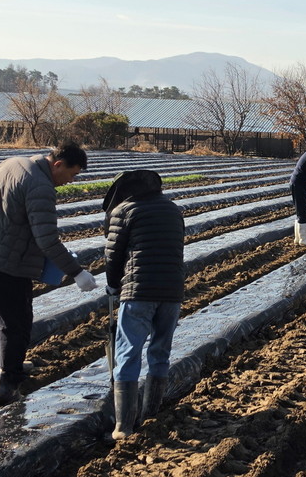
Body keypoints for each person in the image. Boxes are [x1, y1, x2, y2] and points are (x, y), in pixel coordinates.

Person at [0, 142, 97, 404]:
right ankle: (8, 384)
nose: (71, 181)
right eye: (72, 174)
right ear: (58, 164)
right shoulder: (41, 187)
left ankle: (3, 363)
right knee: (17, 323)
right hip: (11, 263)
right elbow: (47, 239)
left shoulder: (12, 163)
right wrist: (76, 272)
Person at [103, 170, 185, 439]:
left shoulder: (125, 211)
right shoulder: (173, 210)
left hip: (138, 292)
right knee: (160, 351)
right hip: (172, 291)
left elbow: (113, 255)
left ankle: (123, 427)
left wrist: (113, 285)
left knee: (128, 352)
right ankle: (151, 416)